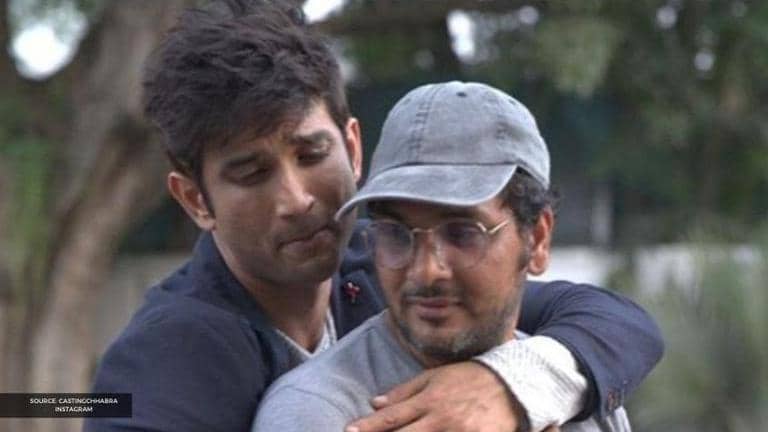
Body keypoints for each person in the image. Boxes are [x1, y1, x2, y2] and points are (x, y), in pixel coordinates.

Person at [85, 2, 663, 432]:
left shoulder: (384, 258)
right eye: (251, 173)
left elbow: (614, 321)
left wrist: (509, 383)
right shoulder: (167, 357)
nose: (297, 199)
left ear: (353, 147)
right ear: (195, 200)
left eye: (312, 154)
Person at [253, 81, 638, 432]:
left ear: (536, 239)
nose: (425, 271)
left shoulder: (575, 396)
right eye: (395, 234)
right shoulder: (317, 413)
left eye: (462, 233)